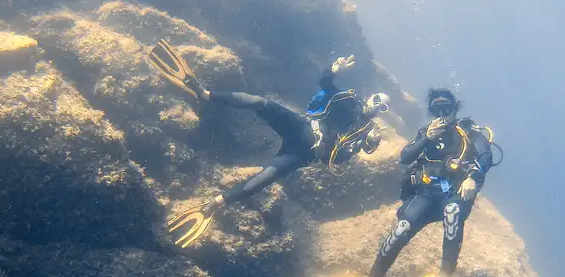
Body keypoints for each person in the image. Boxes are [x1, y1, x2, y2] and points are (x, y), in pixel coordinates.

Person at [148, 39, 391, 248]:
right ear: (371, 96)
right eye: (378, 100)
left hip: (303, 154)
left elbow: (342, 159)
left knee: (264, 179)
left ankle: (213, 204)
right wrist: (334, 69)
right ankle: (204, 93)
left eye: (384, 107)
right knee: (260, 103)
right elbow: (325, 84)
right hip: (301, 126)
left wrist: (368, 143)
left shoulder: (368, 131)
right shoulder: (350, 100)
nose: (378, 106)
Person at [299, 88, 502, 277]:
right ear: (431, 112)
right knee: (402, 228)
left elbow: (486, 156)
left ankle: (445, 275)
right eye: (437, 109)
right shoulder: (427, 132)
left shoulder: (469, 132)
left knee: (453, 212)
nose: (442, 113)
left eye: (447, 108)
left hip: (453, 193)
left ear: (455, 109)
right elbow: (405, 157)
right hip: (426, 192)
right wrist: (427, 138)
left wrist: (473, 178)